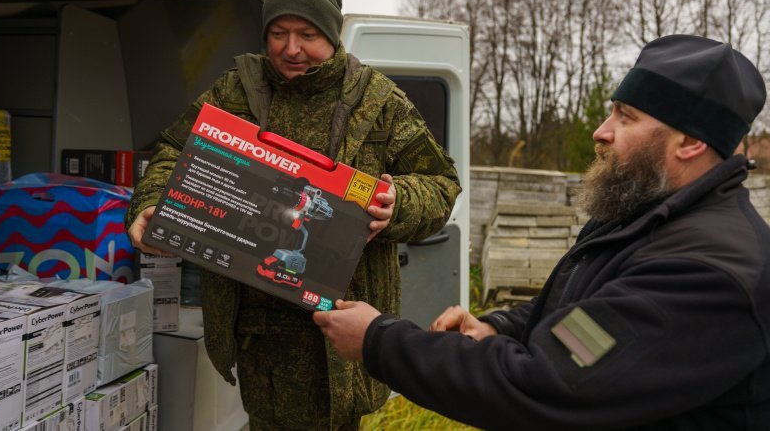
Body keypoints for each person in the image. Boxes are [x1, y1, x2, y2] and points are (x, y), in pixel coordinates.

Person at [314, 34, 770, 430]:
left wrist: (379, 340)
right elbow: (584, 319)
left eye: (626, 117)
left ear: (690, 142)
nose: (600, 131)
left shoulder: (710, 272)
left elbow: (543, 386)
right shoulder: (644, 213)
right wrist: (498, 327)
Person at [126, 0, 461, 430]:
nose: (291, 48)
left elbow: (440, 183)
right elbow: (171, 152)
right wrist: (151, 203)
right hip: (256, 327)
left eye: (307, 33)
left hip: (340, 324)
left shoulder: (378, 102)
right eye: (278, 33)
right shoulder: (235, 91)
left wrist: (397, 203)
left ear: (332, 33)